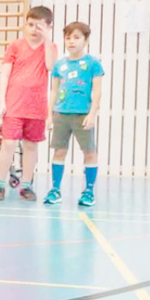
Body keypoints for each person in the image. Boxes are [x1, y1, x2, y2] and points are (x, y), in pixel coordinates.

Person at [0, 6, 57, 201]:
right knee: (9, 143)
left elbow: (51, 67)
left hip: (37, 106)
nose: (33, 30)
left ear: (48, 27)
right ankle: (0, 183)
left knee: (31, 145)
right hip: (14, 103)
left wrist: (47, 40)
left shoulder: (51, 48)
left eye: (39, 26)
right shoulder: (15, 46)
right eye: (30, 25)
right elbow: (5, 74)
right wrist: (1, 99)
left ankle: (27, 184)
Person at [45, 22, 104, 207]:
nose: (71, 41)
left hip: (82, 114)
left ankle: (89, 191)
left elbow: (97, 91)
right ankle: (55, 190)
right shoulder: (60, 65)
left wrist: (92, 113)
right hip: (61, 114)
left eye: (76, 37)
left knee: (89, 152)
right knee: (59, 151)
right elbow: (54, 91)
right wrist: (49, 114)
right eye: (68, 37)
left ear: (86, 40)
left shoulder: (93, 63)